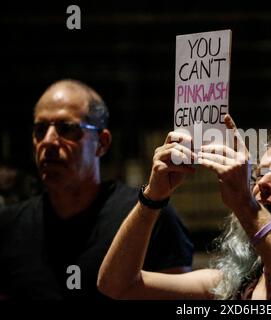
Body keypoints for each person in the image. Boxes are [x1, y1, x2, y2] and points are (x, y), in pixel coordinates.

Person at [98, 85, 271, 300]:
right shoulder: (229, 285)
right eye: (258, 173)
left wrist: (245, 204)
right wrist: (152, 197)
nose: (262, 183)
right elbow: (117, 285)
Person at [0, 79, 193, 299]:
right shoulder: (10, 226)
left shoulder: (148, 218)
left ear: (102, 143)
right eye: (40, 129)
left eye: (67, 129)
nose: (49, 141)